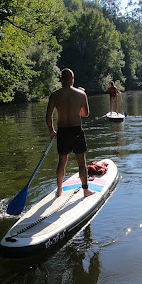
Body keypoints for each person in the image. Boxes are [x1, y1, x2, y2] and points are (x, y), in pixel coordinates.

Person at [46, 68, 95, 197]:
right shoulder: (80, 94)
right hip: (76, 130)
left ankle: (59, 190)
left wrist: (51, 130)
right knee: (81, 162)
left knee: (62, 161)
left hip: (62, 131)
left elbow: (48, 115)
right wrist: (79, 103)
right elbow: (86, 114)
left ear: (61, 80)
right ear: (72, 79)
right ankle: (85, 190)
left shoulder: (55, 95)